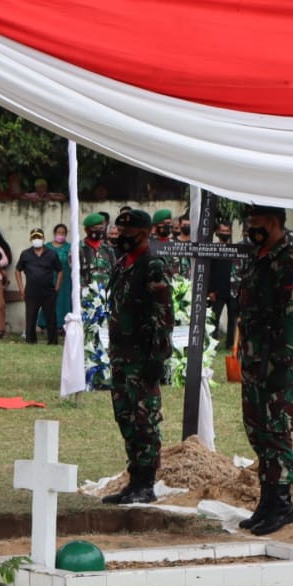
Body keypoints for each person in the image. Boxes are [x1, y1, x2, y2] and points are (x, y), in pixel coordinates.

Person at [234, 205, 293, 536]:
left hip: (275, 362)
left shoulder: (287, 260)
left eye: (257, 224)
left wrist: (281, 360)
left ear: (275, 223)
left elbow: (291, 317)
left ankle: (281, 503)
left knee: (276, 431)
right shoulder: (259, 256)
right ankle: (267, 499)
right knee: (257, 429)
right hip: (254, 360)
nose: (251, 229)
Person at [100, 210, 173, 506]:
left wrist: (157, 358)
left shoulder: (152, 265)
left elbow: (162, 316)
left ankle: (146, 482)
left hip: (143, 357)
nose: (121, 238)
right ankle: (134, 479)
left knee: (145, 420)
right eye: (119, 232)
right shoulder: (122, 264)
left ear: (144, 233)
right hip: (121, 356)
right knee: (126, 417)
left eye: (128, 234)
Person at [80, 211, 117, 389]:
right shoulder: (79, 249)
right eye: (95, 229)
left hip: (106, 300)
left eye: (101, 228)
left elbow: (115, 273)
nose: (98, 231)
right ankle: (88, 373)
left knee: (106, 337)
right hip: (87, 302)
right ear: (87, 230)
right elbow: (75, 275)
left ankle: (105, 373)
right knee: (88, 337)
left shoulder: (108, 250)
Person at [16, 228, 63, 345]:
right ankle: (31, 340)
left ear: (43, 239)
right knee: (31, 316)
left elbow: (60, 270)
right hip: (31, 291)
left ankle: (52, 342)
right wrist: (21, 288)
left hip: (48, 291)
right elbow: (17, 270)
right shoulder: (25, 254)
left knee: (51, 317)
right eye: (34, 238)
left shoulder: (52, 254)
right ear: (31, 239)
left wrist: (57, 286)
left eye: (39, 237)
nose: (37, 240)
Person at [207, 220, 239, 347]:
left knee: (233, 319)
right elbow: (209, 272)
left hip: (233, 291)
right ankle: (212, 343)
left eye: (227, 231)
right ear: (217, 232)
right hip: (217, 292)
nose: (225, 233)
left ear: (231, 232)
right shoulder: (212, 250)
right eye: (222, 231)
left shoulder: (236, 250)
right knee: (214, 318)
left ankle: (230, 344)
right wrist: (210, 291)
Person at [49, 224, 74, 333]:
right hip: (50, 278)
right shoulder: (47, 247)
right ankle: (49, 324)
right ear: (55, 233)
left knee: (64, 301)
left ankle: (63, 325)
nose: (61, 235)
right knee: (50, 301)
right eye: (59, 233)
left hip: (65, 279)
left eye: (63, 233)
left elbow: (72, 262)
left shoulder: (69, 247)